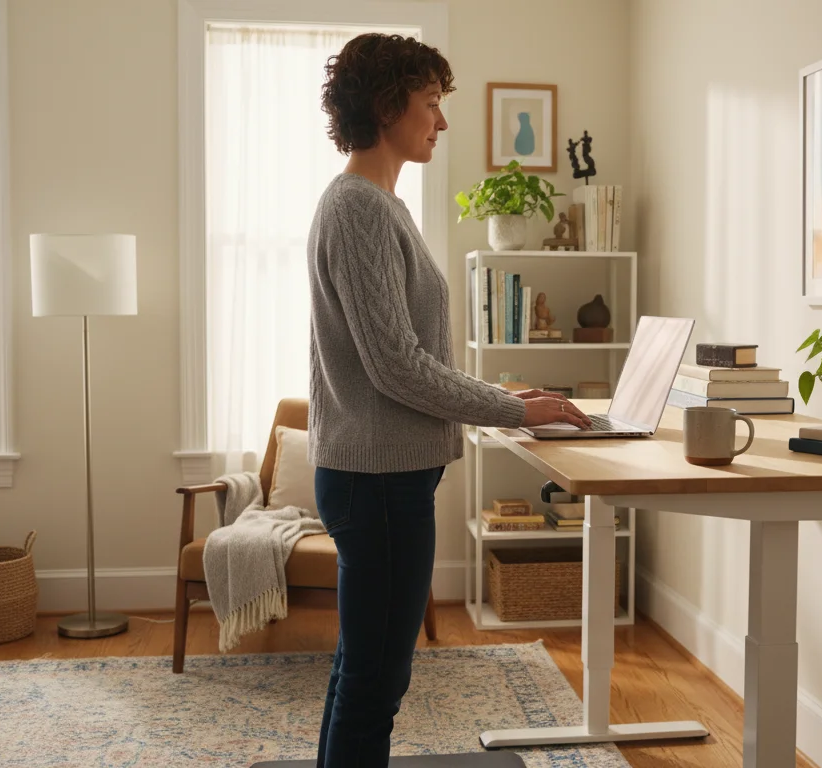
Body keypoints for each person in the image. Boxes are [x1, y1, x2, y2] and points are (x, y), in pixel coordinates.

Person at [307, 32, 591, 767]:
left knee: (361, 669)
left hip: (383, 476)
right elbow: (397, 367)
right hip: (377, 482)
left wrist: (503, 394)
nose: (442, 120)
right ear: (385, 104)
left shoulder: (378, 205)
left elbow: (406, 357)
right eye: (430, 103)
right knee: (376, 678)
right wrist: (513, 409)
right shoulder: (360, 209)